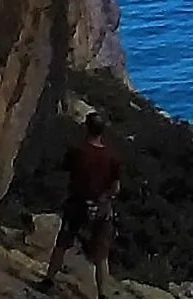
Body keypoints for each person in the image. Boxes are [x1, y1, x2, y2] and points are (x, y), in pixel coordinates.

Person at [42, 111, 124, 294]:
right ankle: (103, 294)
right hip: (102, 209)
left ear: (86, 128)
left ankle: (48, 280)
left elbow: (66, 169)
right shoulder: (112, 158)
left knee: (62, 244)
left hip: (77, 204)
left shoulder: (77, 152)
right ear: (103, 131)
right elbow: (116, 188)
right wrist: (103, 198)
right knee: (101, 255)